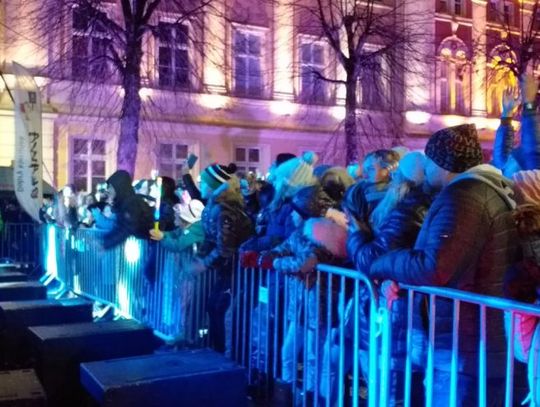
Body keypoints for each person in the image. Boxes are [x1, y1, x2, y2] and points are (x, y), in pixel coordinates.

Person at [370, 124, 521, 406]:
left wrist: (383, 264)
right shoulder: (481, 191)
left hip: (466, 346)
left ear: (443, 163)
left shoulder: (465, 197)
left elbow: (435, 267)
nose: (426, 168)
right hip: (473, 341)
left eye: (429, 160)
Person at [193, 163, 254, 354]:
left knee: (220, 308)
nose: (201, 185)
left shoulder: (225, 211)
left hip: (237, 271)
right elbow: (210, 239)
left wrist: (204, 264)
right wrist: (199, 257)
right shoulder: (213, 208)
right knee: (214, 306)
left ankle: (224, 353)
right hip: (227, 269)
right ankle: (216, 349)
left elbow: (225, 247)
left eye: (204, 182)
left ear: (214, 186)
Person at [102, 170, 153, 249]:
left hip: (150, 246)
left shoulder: (131, 204)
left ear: (119, 187)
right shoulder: (124, 203)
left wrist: (106, 243)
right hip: (145, 245)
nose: (108, 190)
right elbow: (120, 227)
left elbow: (127, 228)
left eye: (111, 187)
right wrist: (104, 240)